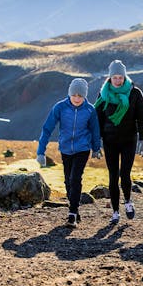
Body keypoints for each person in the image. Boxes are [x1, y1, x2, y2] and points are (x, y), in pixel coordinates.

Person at [37, 78, 102, 228]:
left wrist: (96, 148)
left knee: (75, 178)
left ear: (85, 96)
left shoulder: (90, 110)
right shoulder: (60, 107)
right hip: (65, 149)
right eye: (75, 95)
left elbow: (95, 130)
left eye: (81, 96)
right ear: (69, 94)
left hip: (82, 148)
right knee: (67, 180)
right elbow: (47, 129)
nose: (77, 99)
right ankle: (75, 207)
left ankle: (72, 214)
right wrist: (41, 152)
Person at [94, 60, 143, 224]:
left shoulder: (134, 93)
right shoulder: (103, 94)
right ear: (109, 78)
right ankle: (115, 212)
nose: (117, 81)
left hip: (129, 140)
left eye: (120, 77)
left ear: (125, 77)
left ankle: (128, 202)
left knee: (124, 174)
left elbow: (142, 117)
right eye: (114, 77)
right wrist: (95, 143)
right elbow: (97, 119)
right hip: (109, 141)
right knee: (112, 176)